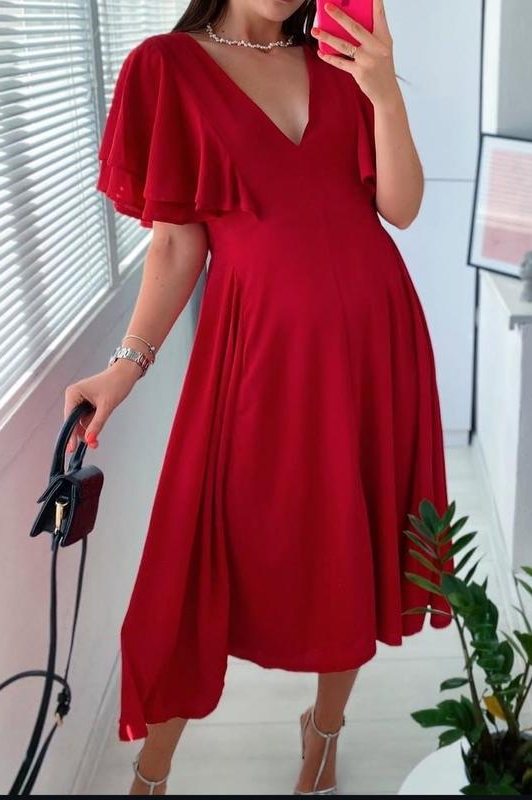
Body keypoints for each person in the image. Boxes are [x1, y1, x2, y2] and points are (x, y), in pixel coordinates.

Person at [64, 0, 454, 794]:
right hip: (256, 352)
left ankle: (325, 734)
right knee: (192, 551)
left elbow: (402, 208)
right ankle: (152, 774)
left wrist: (385, 90)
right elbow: (177, 242)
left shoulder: (344, 63)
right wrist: (126, 366)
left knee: (353, 537)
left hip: (376, 348)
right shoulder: (166, 68)